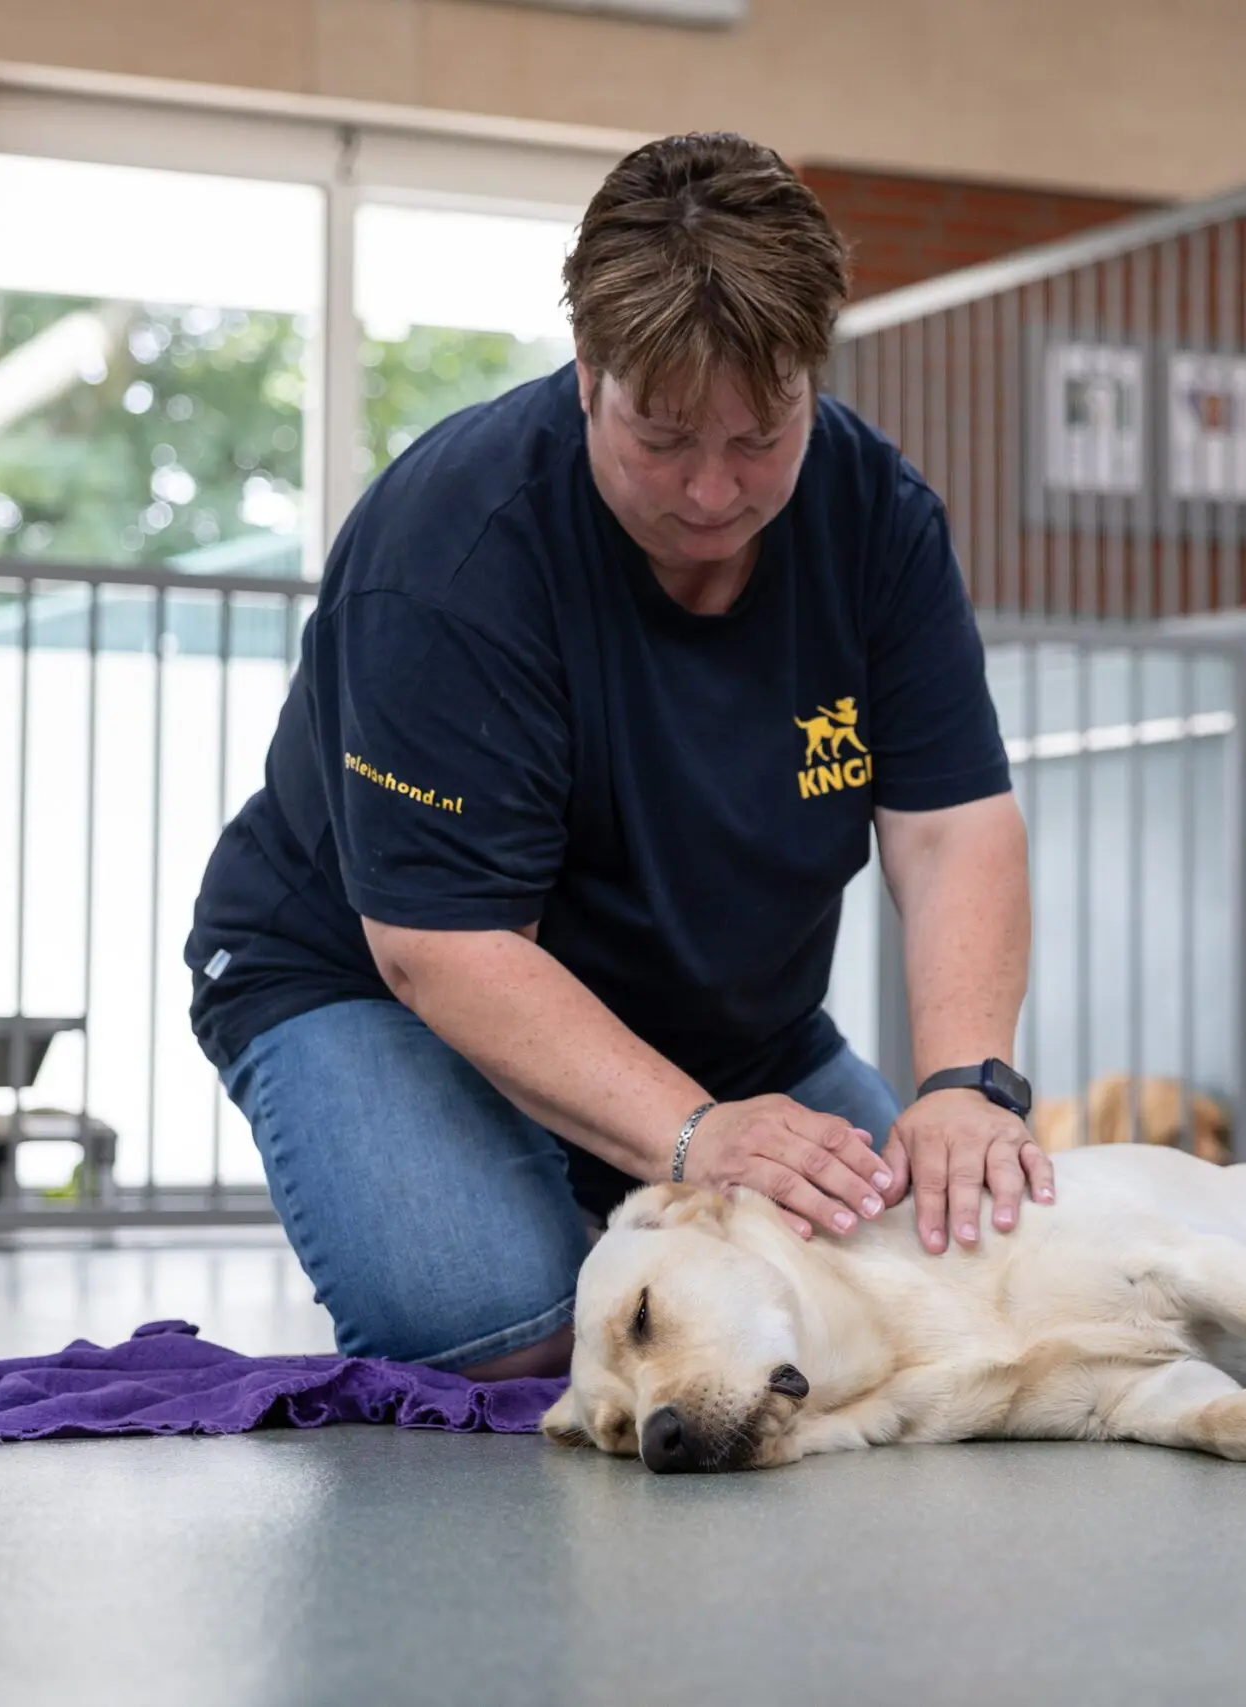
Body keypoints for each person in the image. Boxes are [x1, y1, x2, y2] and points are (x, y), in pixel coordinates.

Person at [183, 132, 1045, 1380]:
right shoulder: (454, 554)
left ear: (812, 378)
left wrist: (967, 1082)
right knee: (500, 1328)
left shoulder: (876, 515)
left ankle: (604, 1163)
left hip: (726, 1019)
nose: (709, 492)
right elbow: (443, 948)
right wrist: (692, 1137)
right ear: (589, 372)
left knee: (961, 1277)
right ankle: (554, 1187)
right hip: (374, 984)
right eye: (663, 437)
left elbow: (952, 822)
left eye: (761, 438)